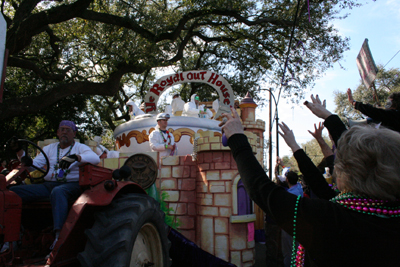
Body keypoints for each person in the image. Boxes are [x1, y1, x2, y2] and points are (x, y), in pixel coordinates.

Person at [220, 95, 400, 266]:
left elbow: (262, 191)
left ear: (349, 170)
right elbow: (320, 181)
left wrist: (237, 139)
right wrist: (327, 119)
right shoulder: (386, 213)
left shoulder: (333, 220)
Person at [9, 120, 100, 252]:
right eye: (62, 129)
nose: (64, 132)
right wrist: (19, 152)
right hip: (48, 185)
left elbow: (95, 158)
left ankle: (59, 237)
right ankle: (13, 237)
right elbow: (31, 166)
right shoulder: (49, 149)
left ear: (74, 134)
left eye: (68, 130)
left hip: (71, 186)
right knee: (13, 192)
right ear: (57, 133)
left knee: (58, 191)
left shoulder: (79, 147)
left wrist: (76, 157)